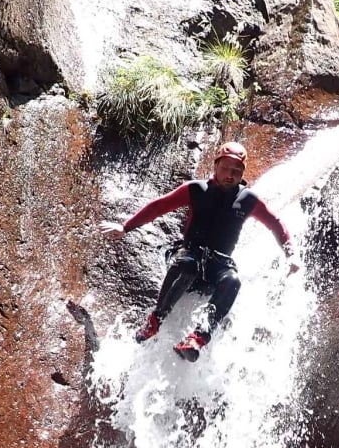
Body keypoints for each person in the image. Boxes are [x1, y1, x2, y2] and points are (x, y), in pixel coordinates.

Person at [100, 141, 298, 362]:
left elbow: (275, 223)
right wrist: (126, 227)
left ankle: (198, 338)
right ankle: (155, 320)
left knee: (233, 280)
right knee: (187, 265)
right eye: (225, 169)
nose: (230, 175)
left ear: (242, 172)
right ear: (215, 166)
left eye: (236, 171)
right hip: (189, 255)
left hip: (218, 266)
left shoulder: (247, 200)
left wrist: (291, 254)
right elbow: (159, 206)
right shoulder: (197, 190)